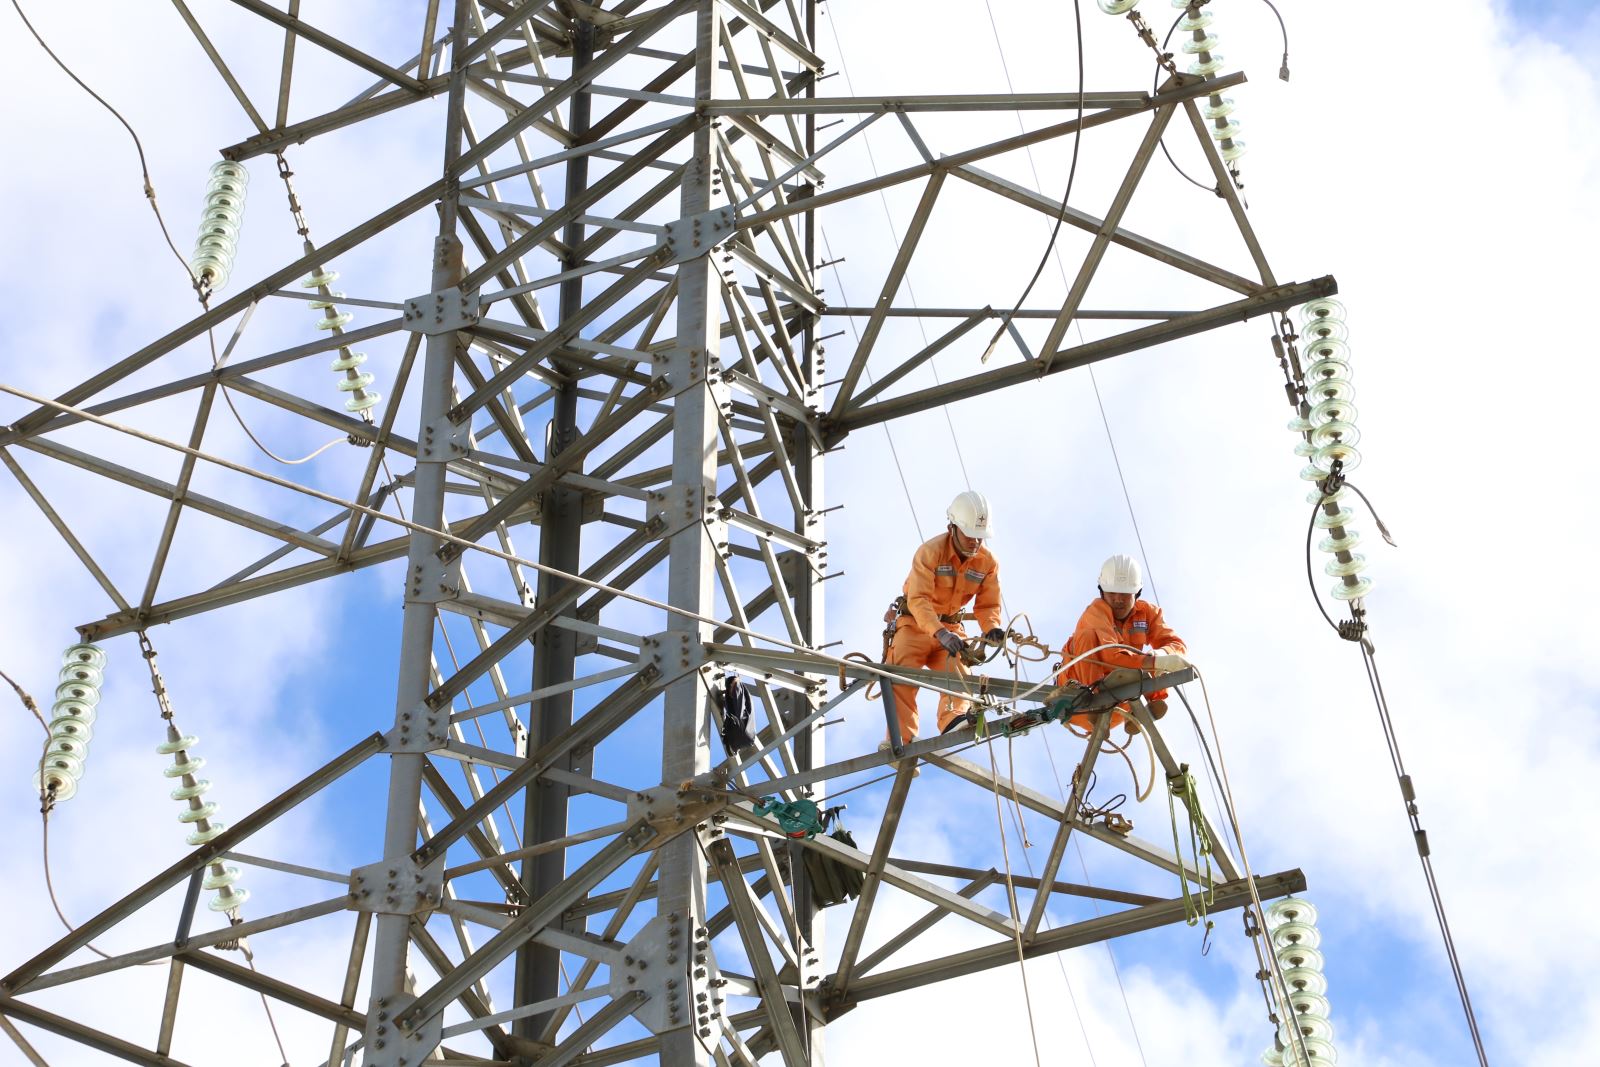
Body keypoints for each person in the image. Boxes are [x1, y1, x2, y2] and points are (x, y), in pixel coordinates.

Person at [883, 491, 1005, 751]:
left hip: (950, 628)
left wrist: (992, 627)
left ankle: (954, 719)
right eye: (970, 534)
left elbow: (988, 605)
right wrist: (939, 633)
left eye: (980, 536)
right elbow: (918, 600)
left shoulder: (987, 563)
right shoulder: (931, 552)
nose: (975, 542)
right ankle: (900, 741)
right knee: (901, 676)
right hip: (914, 625)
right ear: (953, 527)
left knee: (960, 672)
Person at [1057, 554, 1190, 735]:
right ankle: (1095, 703)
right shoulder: (1095, 613)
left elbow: (1176, 644)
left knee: (1162, 658)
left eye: (1125, 594)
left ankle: (1148, 708)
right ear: (1102, 592)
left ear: (1137, 593)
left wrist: (1162, 654)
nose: (1118, 599)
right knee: (1088, 637)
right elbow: (1109, 655)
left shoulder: (1148, 613)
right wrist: (1151, 662)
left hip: (1118, 700)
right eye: (1112, 593)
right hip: (1078, 696)